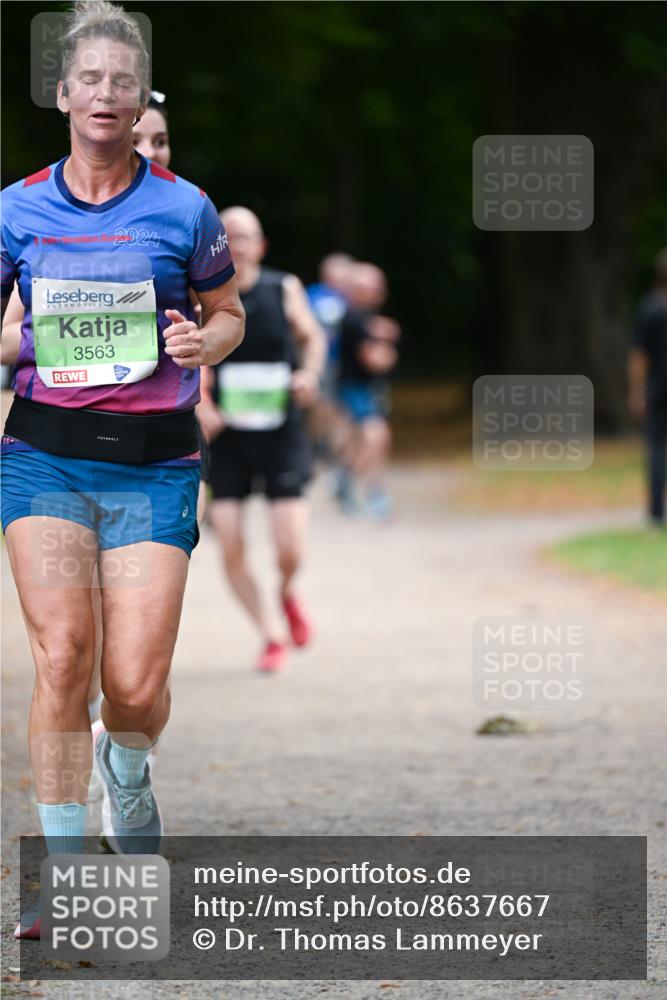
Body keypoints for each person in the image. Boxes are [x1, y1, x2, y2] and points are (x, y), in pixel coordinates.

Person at [1, 0, 244, 938]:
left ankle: (128, 770)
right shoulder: (19, 208)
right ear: (62, 95)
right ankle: (69, 876)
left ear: (140, 98)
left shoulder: (183, 209)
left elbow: (229, 314)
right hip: (44, 456)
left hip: (153, 466)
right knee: (62, 657)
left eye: (121, 81)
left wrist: (202, 341)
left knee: (133, 688)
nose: (105, 94)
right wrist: (15, 336)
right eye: (88, 79)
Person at [197, 207, 325, 673]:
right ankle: (270, 635)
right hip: (227, 436)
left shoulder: (282, 288)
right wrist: (202, 402)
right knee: (230, 542)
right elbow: (194, 356)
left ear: (261, 245)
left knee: (290, 546)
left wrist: (309, 374)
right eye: (229, 237)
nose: (239, 244)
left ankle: (287, 592)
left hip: (280, 431)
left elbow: (313, 339)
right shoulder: (205, 296)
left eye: (247, 236)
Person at [336, 262, 400, 519]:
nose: (376, 291)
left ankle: (347, 481)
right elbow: (374, 360)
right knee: (376, 435)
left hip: (367, 388)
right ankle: (372, 493)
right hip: (356, 388)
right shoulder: (355, 319)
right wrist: (388, 348)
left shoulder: (366, 319)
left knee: (367, 441)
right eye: (370, 286)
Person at [628, 247, 667, 527]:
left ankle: (655, 514)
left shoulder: (650, 307)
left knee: (656, 449)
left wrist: (637, 391)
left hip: (658, 388)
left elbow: (639, 357)